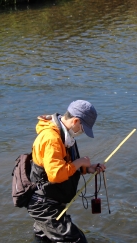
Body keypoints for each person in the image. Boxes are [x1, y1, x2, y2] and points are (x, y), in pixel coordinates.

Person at [27, 100, 105, 243]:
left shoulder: (64, 135)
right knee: (76, 240)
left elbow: (65, 165)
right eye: (83, 128)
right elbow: (56, 175)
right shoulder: (52, 138)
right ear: (75, 121)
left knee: (43, 239)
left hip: (52, 202)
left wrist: (88, 168)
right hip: (44, 205)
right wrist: (80, 162)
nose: (82, 132)